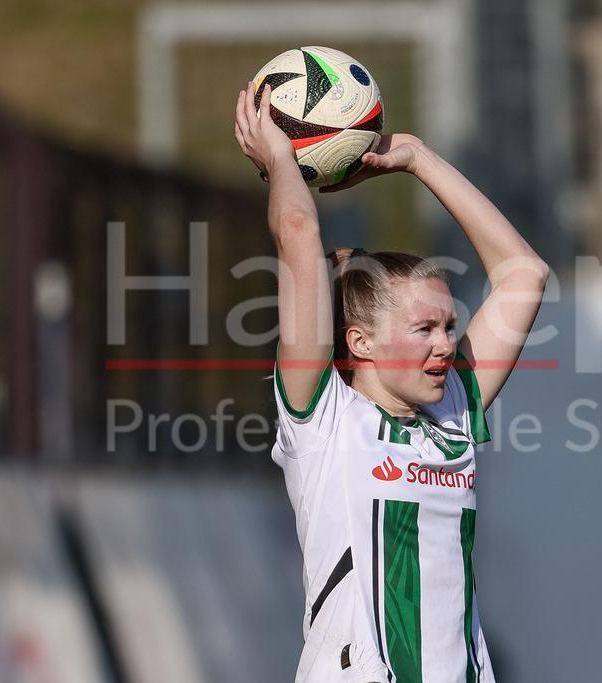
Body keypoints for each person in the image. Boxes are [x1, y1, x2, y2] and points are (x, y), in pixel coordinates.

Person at [235, 81, 549, 682]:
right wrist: (279, 157)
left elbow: (523, 274)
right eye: (423, 328)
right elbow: (298, 230)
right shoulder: (323, 421)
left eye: (449, 325)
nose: (446, 343)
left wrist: (418, 158)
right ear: (360, 343)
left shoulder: (451, 413)